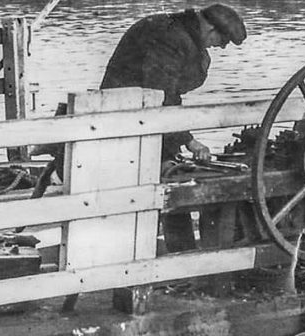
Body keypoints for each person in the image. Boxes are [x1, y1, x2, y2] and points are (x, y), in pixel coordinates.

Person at [100, 4, 247, 251]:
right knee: (168, 180)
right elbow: (161, 93)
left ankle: (180, 252)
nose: (219, 47)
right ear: (210, 28)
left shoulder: (177, 31)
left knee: (171, 175)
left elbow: (168, 97)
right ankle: (172, 253)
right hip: (129, 121)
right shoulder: (171, 37)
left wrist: (178, 139)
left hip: (142, 118)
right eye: (221, 41)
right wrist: (189, 141)